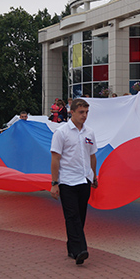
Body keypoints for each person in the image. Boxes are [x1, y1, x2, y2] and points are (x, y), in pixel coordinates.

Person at [50, 98, 98, 265]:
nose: (84, 116)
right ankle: (80, 250)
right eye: (81, 112)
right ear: (72, 111)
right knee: (72, 216)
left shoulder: (89, 132)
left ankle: (72, 247)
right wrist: (54, 183)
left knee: (81, 216)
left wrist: (94, 176)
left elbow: (92, 156)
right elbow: (55, 158)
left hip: (84, 179)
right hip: (67, 181)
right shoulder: (61, 132)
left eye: (86, 112)